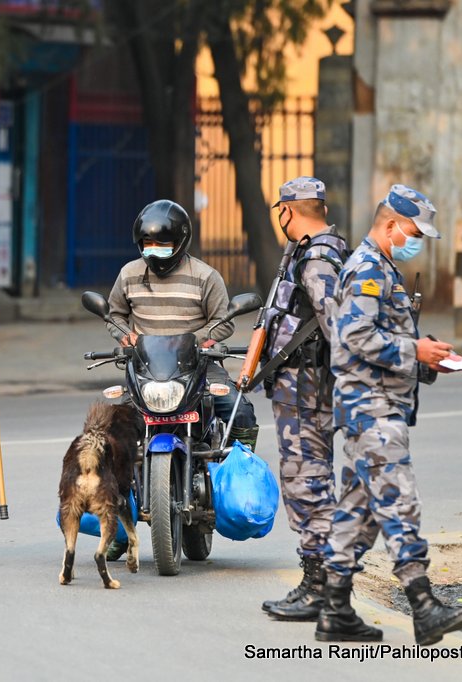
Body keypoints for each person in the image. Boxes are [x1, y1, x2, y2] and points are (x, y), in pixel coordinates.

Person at [315, 185, 462, 645]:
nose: (417, 241)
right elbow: (355, 338)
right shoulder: (367, 268)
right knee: (399, 499)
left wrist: (427, 359)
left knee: (360, 510)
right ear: (390, 226)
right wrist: (416, 349)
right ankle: (424, 606)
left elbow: (382, 337)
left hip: (377, 404)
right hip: (371, 408)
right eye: (413, 232)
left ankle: (334, 608)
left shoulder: (382, 268)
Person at [103, 199, 259, 560]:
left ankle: (235, 477)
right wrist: (123, 335)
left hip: (197, 365)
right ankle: (117, 523)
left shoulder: (206, 276)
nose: (155, 251)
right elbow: (114, 314)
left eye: (164, 244)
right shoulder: (128, 274)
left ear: (183, 241)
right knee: (107, 429)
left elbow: (225, 320)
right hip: (145, 369)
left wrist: (205, 340)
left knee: (240, 409)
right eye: (148, 244)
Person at [260, 177, 350, 621]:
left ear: (289, 211)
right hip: (299, 393)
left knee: (309, 486)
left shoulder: (316, 260)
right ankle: (320, 584)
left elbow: (339, 330)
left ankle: (323, 588)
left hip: (308, 395)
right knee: (305, 483)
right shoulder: (306, 253)